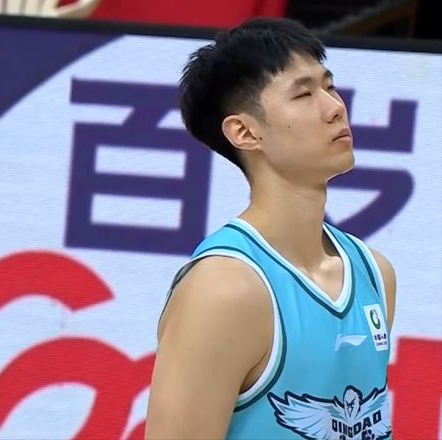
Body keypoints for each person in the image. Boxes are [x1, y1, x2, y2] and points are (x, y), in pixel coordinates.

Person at [146, 18, 395, 439]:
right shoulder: (224, 290)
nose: (335, 107)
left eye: (329, 86)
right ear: (245, 132)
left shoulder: (375, 274)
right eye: (304, 93)